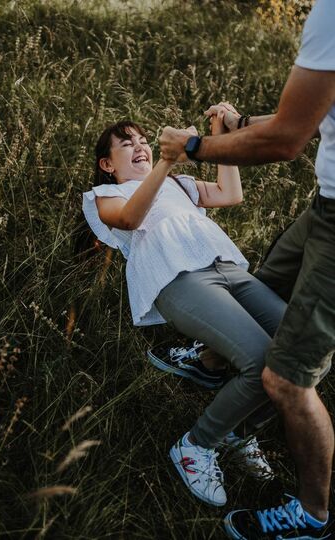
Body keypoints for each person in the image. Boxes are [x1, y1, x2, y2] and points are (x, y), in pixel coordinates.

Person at [159, 1, 335, 538]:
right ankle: (213, 365)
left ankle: (311, 515)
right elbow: (301, 121)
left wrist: (193, 147)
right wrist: (242, 127)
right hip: (326, 206)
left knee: (284, 375)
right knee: (265, 283)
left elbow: (285, 142)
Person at [83, 114, 287, 508]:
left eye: (143, 140)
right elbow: (128, 219)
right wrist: (165, 160)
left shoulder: (180, 184)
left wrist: (220, 137)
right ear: (107, 164)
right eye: (127, 144)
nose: (139, 146)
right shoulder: (107, 195)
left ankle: (238, 431)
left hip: (225, 267)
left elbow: (231, 194)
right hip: (177, 278)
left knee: (298, 347)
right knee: (261, 358)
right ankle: (196, 445)